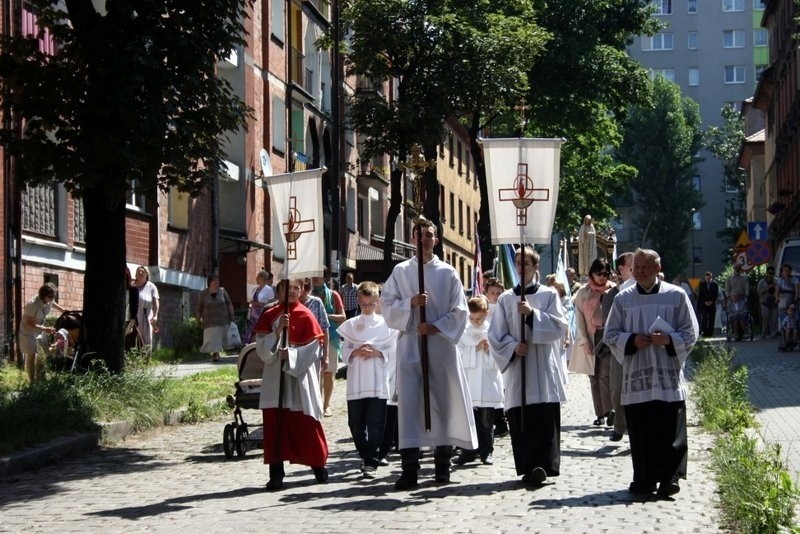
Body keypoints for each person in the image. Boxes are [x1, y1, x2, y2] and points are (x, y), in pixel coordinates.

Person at [381, 218, 477, 490]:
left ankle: (442, 467)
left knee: (442, 404)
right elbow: (386, 306)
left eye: (429, 235)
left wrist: (434, 326)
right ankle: (410, 469)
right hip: (411, 345)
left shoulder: (447, 273)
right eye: (419, 234)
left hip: (440, 347)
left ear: (436, 240)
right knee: (411, 406)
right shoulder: (401, 272)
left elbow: (460, 311)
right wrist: (410, 304)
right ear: (412, 239)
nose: (424, 239)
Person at [604, 249, 699, 497]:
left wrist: (669, 339)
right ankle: (644, 479)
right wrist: (633, 340)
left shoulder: (676, 296)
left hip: (667, 376)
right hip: (638, 378)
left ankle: (670, 478)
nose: (640, 272)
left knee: (669, 431)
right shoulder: (623, 300)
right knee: (642, 432)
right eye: (637, 267)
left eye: (646, 267)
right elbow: (610, 335)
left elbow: (691, 333)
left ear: (658, 268)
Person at [488, 248, 568, 487]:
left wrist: (532, 314)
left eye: (526, 263)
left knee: (544, 415)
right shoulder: (505, 299)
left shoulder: (549, 295)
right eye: (518, 263)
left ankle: (545, 465)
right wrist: (513, 346)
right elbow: (495, 335)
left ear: (536, 267)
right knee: (522, 417)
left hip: (542, 365)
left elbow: (559, 327)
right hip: (519, 367)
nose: (522, 268)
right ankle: (528, 465)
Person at [254, 279, 329, 490]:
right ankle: (276, 474)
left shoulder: (306, 315)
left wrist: (293, 356)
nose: (293, 291)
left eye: (297, 288)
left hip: (298, 380)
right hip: (275, 379)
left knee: (305, 425)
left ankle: (318, 466)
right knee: (275, 427)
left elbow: (315, 348)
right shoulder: (270, 315)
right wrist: (277, 333)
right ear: (279, 290)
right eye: (289, 287)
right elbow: (261, 349)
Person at [337, 281, 395, 478]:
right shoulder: (352, 325)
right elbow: (344, 353)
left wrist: (378, 352)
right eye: (364, 304)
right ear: (359, 302)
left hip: (377, 381)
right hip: (357, 381)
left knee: (376, 422)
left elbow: (392, 351)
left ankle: (371, 461)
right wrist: (355, 351)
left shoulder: (386, 325)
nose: (367, 308)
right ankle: (366, 454)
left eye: (371, 304)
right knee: (355, 423)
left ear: (377, 302)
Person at [453, 295, 503, 466]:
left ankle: (486, 452)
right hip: (469, 382)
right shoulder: (463, 331)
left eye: (479, 318)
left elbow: (500, 357)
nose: (476, 322)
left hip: (487, 382)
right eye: (472, 318)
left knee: (486, 421)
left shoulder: (493, 331)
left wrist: (489, 350)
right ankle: (467, 451)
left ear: (487, 313)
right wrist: (474, 349)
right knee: (468, 420)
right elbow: (458, 354)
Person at [573, 258, 616, 428]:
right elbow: (579, 319)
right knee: (593, 376)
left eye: (606, 274)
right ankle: (600, 413)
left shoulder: (613, 290)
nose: (602, 277)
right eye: (599, 274)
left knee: (605, 375)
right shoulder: (584, 292)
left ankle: (609, 410)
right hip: (591, 335)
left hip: (607, 336)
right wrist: (584, 341)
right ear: (592, 273)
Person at [601, 251, 634, 442]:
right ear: (621, 269)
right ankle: (620, 425)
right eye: (632, 265)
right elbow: (608, 322)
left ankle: (635, 428)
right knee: (617, 388)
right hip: (619, 347)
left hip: (640, 347)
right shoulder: (610, 295)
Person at [311, 276, 346, 416]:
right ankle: (316, 403)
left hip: (331, 338)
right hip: (312, 338)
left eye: (317, 275)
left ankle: (326, 405)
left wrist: (326, 316)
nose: (315, 278)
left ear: (325, 278)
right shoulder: (309, 295)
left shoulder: (333, 294)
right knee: (315, 374)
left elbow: (342, 317)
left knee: (328, 372)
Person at [19, 282, 65, 383]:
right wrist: (44, 329)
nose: (52, 298)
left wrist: (64, 311)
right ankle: (32, 383)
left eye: (54, 296)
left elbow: (53, 304)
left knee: (45, 352)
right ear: (43, 296)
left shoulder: (49, 300)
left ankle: (41, 377)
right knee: (32, 355)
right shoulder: (32, 304)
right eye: (50, 296)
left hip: (40, 328)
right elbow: (28, 323)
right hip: (28, 330)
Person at [483, 276, 509, 438]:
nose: (496, 296)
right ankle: (495, 421)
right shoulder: (482, 307)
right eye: (492, 293)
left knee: (500, 387)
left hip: (500, 351)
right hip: (484, 352)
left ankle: (502, 421)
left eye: (499, 292)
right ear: (486, 293)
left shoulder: (505, 308)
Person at [196, 274, 235, 362]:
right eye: (214, 280)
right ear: (210, 282)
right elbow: (199, 308)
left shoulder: (222, 291)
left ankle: (217, 353)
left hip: (223, 320)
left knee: (219, 339)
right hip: (209, 322)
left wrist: (232, 315)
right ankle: (215, 353)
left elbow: (229, 303)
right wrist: (198, 319)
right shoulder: (204, 293)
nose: (216, 282)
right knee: (212, 339)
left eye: (217, 280)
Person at [133, 265, 160, 354]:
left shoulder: (151, 287)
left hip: (145, 317)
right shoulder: (131, 285)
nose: (140, 273)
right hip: (132, 317)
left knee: (146, 340)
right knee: (132, 339)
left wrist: (155, 315)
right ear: (135, 274)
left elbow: (156, 302)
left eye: (143, 271)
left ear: (147, 275)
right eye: (138, 271)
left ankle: (146, 362)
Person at [244, 270, 275, 344]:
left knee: (259, 328)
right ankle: (250, 343)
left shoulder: (268, 289)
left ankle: (260, 343)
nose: (256, 279)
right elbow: (251, 298)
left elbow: (272, 301)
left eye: (257, 277)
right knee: (252, 328)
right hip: (254, 312)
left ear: (262, 278)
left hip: (262, 312)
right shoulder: (255, 288)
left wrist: (259, 304)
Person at [725, 263, 749, 341]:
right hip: (732, 298)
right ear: (733, 269)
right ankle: (734, 332)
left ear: (740, 269)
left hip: (742, 298)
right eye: (735, 268)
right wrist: (729, 297)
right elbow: (727, 289)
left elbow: (746, 288)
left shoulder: (744, 278)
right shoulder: (729, 278)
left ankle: (745, 332)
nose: (737, 270)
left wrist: (746, 295)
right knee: (733, 314)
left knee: (742, 314)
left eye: (738, 268)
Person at [757, 267, 779, 339]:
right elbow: (759, 292)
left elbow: (779, 290)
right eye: (770, 273)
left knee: (774, 318)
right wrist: (768, 288)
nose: (771, 275)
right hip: (764, 301)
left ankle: (773, 333)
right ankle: (764, 333)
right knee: (765, 317)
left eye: (772, 273)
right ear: (767, 273)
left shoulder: (776, 281)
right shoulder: (762, 281)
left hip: (773, 301)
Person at [697, 271, 719, 338]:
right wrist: (705, 302)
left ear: (711, 278)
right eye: (706, 279)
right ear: (705, 278)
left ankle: (710, 333)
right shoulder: (701, 284)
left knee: (712, 318)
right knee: (704, 319)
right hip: (704, 304)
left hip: (712, 304)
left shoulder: (715, 284)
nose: (707, 280)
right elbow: (700, 294)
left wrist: (712, 301)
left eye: (709, 279)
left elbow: (716, 294)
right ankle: (705, 332)